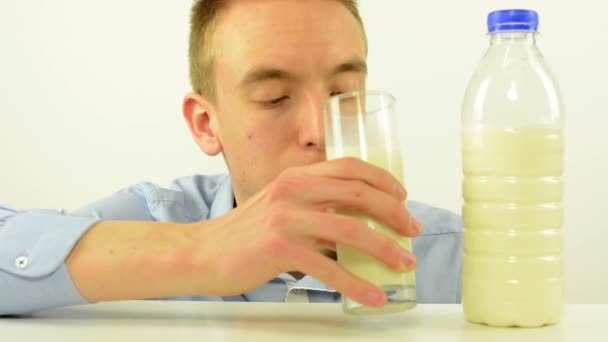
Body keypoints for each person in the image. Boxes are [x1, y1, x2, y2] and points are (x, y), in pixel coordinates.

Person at [0, 0, 462, 316]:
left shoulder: (459, 256)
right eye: (275, 97)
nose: (320, 134)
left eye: (343, 94)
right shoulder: (156, 220)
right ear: (205, 124)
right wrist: (199, 251)